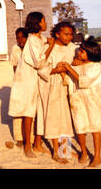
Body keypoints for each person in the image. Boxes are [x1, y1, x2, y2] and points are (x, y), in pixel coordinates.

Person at [59, 36, 101, 167]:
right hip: (77, 100)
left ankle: (97, 156)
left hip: (92, 101)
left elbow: (84, 81)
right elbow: (70, 82)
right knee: (80, 127)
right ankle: (84, 152)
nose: (78, 52)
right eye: (79, 50)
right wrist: (64, 72)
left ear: (90, 54)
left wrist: (69, 68)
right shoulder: (76, 65)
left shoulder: (95, 67)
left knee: (95, 127)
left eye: (82, 51)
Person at [8, 12, 55, 158]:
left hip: (35, 80)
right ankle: (27, 146)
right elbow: (39, 62)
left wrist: (48, 41)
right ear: (38, 23)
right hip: (26, 81)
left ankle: (37, 144)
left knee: (37, 111)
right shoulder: (31, 40)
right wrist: (51, 46)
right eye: (44, 20)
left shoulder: (39, 39)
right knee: (28, 113)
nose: (46, 22)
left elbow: (44, 42)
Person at [38, 21, 77, 164]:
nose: (69, 37)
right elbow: (41, 68)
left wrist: (68, 69)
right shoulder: (50, 48)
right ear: (57, 34)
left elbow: (78, 65)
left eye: (71, 34)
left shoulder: (73, 49)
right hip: (53, 85)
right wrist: (56, 70)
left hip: (68, 85)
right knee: (54, 117)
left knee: (66, 118)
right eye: (66, 34)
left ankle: (64, 149)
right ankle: (56, 150)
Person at [8, 27, 31, 148]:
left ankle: (30, 138)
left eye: (23, 37)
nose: (20, 40)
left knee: (30, 111)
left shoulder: (31, 49)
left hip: (31, 83)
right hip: (19, 83)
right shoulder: (15, 49)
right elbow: (14, 66)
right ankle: (19, 138)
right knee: (18, 111)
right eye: (18, 37)